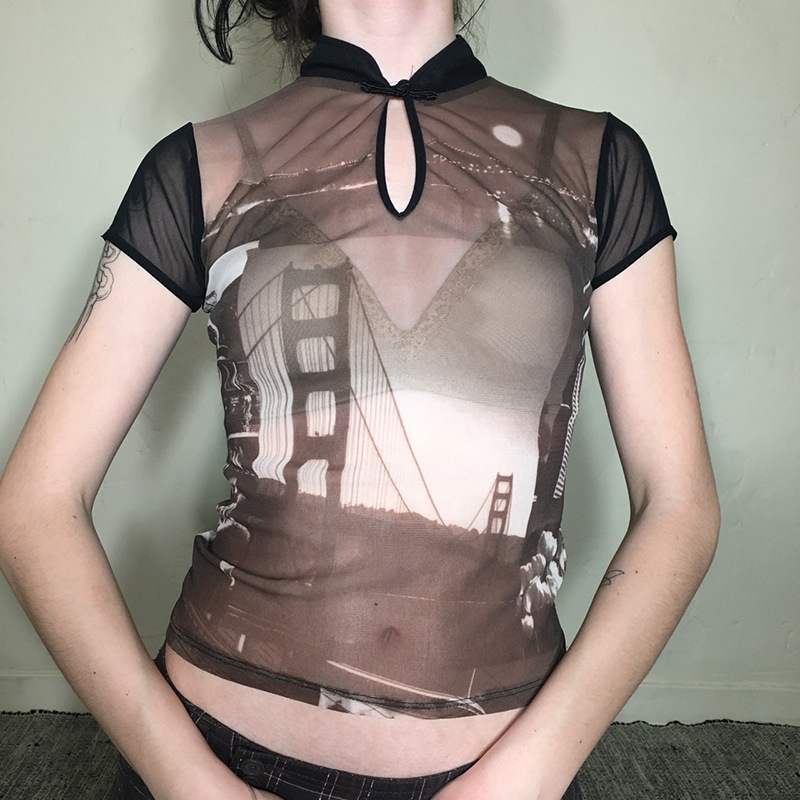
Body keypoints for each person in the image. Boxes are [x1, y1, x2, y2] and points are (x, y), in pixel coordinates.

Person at [0, 1, 721, 799]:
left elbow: (678, 506)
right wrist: (190, 783)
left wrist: (528, 777)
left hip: (512, 772)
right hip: (222, 754)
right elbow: (34, 505)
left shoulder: (599, 160)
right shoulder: (200, 166)